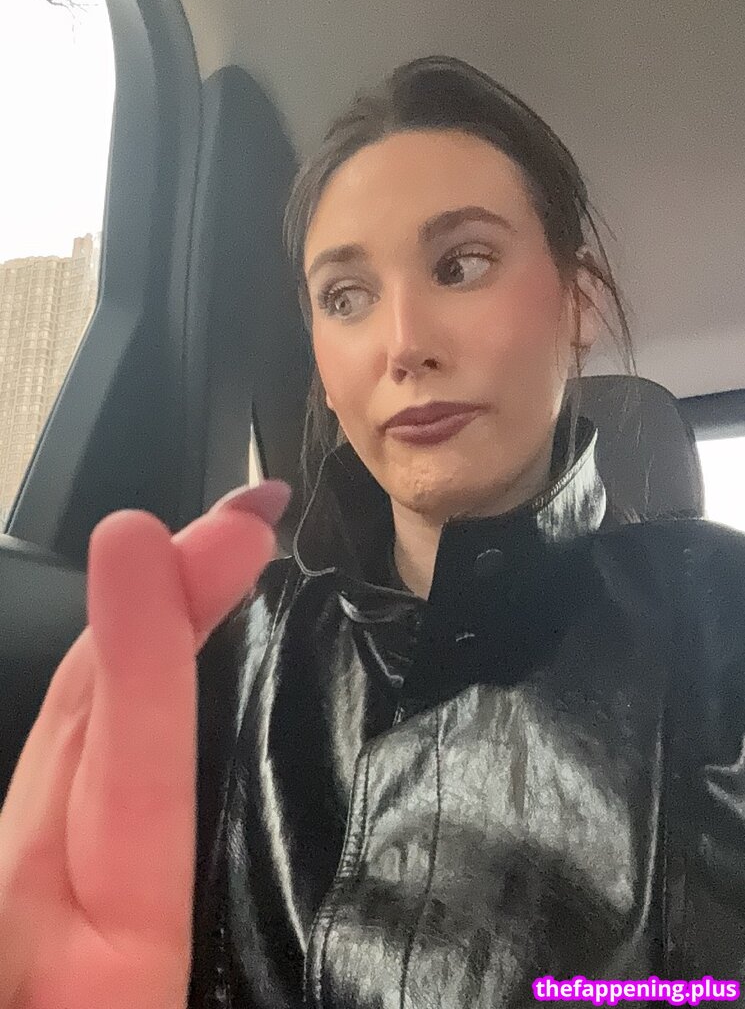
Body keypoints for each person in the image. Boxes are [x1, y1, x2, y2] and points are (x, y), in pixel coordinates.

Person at [1, 56, 744, 1009]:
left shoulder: (721, 622)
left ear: (577, 303)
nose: (403, 343)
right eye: (344, 296)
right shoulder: (227, 651)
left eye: (460, 265)